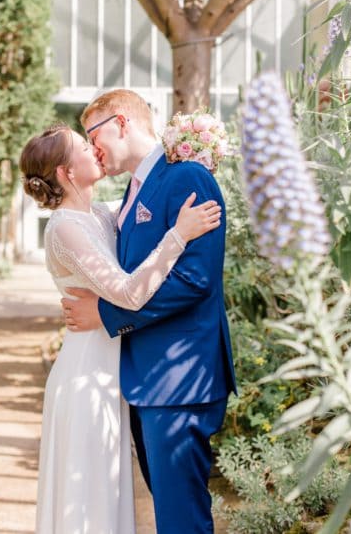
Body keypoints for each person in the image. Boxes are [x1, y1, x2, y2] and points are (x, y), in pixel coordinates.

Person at [20, 124, 221, 534]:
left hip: (115, 373)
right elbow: (129, 294)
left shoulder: (99, 214)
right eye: (82, 145)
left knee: (109, 495)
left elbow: (146, 193)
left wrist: (186, 149)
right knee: (88, 499)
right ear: (66, 172)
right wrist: (179, 234)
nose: (94, 148)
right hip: (86, 375)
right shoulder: (64, 228)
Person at [61, 89, 236, 534]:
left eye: (93, 134)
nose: (92, 146)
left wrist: (106, 316)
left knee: (181, 520)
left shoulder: (187, 178)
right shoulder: (131, 193)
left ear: (122, 123)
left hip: (180, 381)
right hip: (147, 383)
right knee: (170, 514)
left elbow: (195, 281)